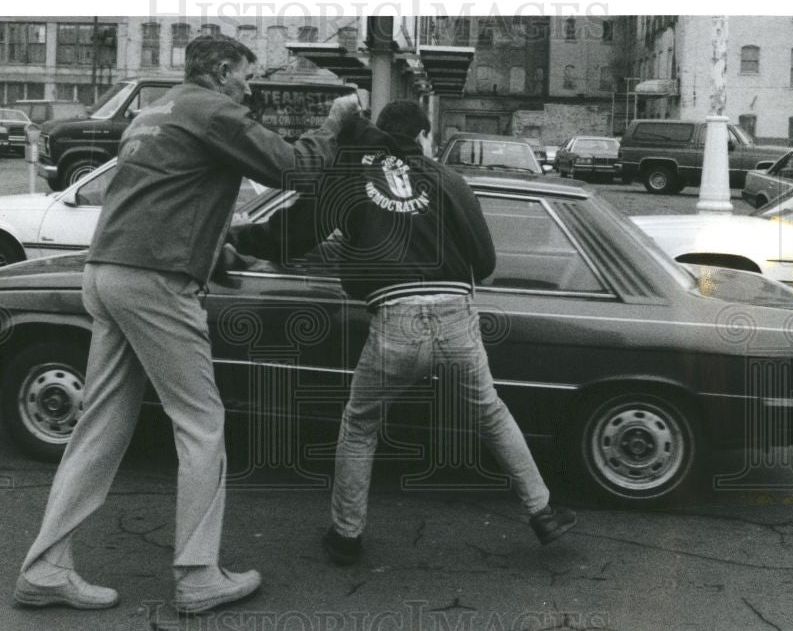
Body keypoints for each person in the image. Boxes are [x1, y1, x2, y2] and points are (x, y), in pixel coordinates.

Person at [14, 35, 361, 612]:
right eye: (245, 77)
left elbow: (167, 196)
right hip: (155, 280)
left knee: (99, 426)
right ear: (222, 71)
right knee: (201, 422)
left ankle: (46, 567)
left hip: (107, 271)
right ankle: (198, 574)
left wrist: (211, 248)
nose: (249, 89)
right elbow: (291, 168)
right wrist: (334, 123)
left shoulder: (156, 111)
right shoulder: (213, 109)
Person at [228, 100, 577, 566]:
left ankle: (346, 536)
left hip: (395, 320)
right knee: (490, 412)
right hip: (456, 316)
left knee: (360, 424)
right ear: (423, 136)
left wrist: (238, 241)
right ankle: (543, 511)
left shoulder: (350, 174)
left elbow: (292, 233)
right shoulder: (448, 180)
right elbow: (486, 261)